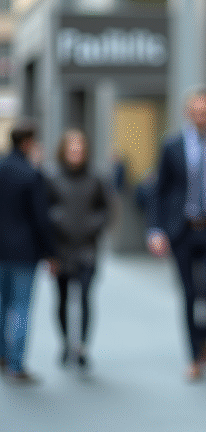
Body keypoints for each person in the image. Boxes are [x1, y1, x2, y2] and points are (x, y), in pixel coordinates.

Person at [147, 89, 206, 381]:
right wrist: (156, 229)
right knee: (189, 295)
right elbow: (159, 190)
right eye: (196, 112)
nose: (201, 117)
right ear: (187, 114)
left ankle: (203, 340)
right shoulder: (172, 145)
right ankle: (193, 357)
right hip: (182, 231)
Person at [46, 129, 111, 370]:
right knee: (62, 298)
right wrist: (57, 222)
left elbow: (106, 209)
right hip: (60, 248)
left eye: (80, 149)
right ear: (64, 150)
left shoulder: (96, 177)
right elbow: (45, 209)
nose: (76, 153)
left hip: (87, 248)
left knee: (84, 296)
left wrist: (94, 226)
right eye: (72, 148)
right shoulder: (52, 177)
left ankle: (82, 346)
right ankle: (65, 343)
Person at [0, 120, 56, 384]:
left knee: (2, 305)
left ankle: (2, 355)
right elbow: (41, 219)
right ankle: (16, 363)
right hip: (24, 251)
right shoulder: (32, 174)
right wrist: (51, 252)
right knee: (21, 307)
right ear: (27, 143)